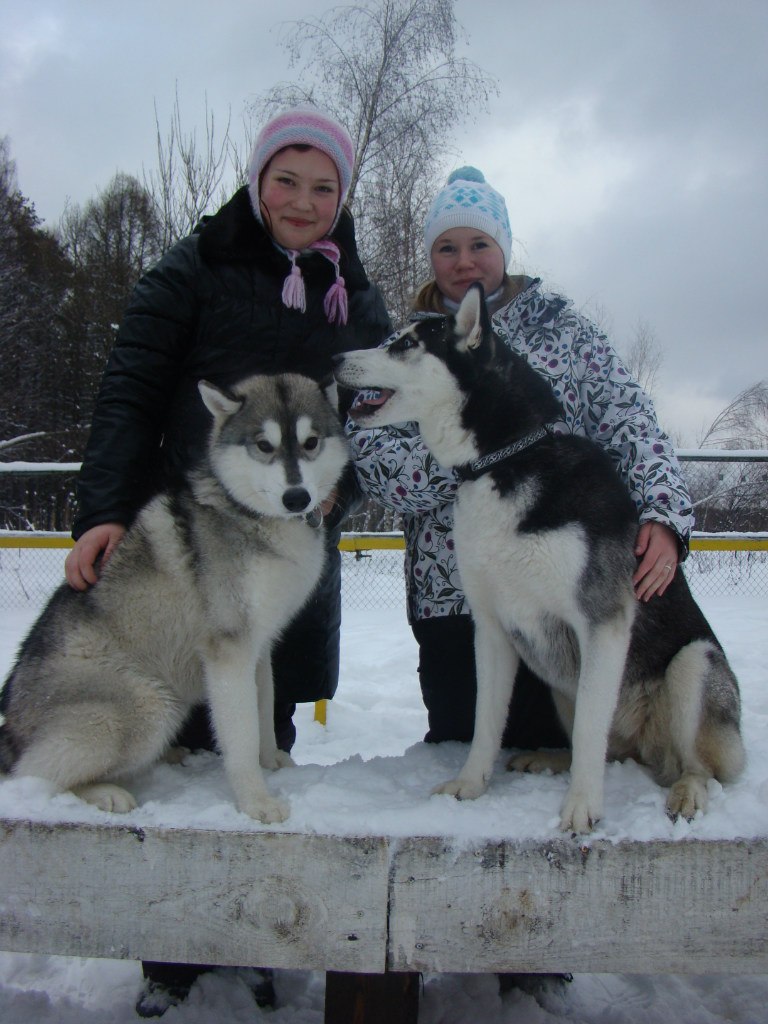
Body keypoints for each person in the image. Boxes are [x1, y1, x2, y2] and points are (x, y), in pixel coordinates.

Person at [64, 104, 390, 1017]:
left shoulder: (355, 295)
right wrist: (100, 513)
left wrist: (339, 496)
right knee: (176, 754)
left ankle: (250, 939)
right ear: (257, 181)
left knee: (261, 731)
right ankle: (171, 956)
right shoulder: (195, 265)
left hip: (291, 547)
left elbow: (369, 425)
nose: (303, 200)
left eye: (323, 186)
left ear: (342, 197)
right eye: (286, 180)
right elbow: (128, 390)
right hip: (190, 540)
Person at [346, 166, 694, 751]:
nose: (464, 261)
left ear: (503, 248)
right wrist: (473, 444)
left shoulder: (564, 330)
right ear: (432, 257)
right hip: (454, 596)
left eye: (480, 244)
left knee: (560, 755)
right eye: (447, 247)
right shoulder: (407, 346)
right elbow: (378, 465)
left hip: (562, 591)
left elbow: (631, 422)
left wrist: (664, 512)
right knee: (467, 756)